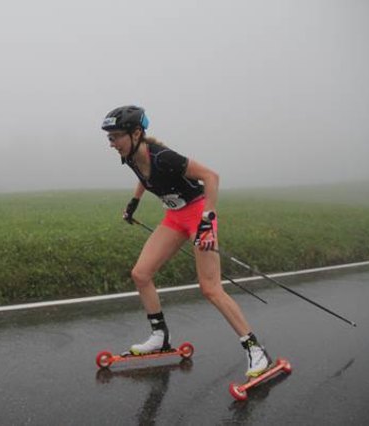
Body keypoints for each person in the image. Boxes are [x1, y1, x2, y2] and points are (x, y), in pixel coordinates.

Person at [101, 105, 272, 377]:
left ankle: (256, 349)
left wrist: (207, 221)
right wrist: (133, 203)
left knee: (210, 288)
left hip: (198, 215)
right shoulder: (132, 157)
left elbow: (211, 177)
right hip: (175, 217)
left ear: (135, 134)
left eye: (116, 136)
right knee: (141, 274)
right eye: (109, 138)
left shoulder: (164, 157)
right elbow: (145, 179)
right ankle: (159, 336)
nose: (111, 143)